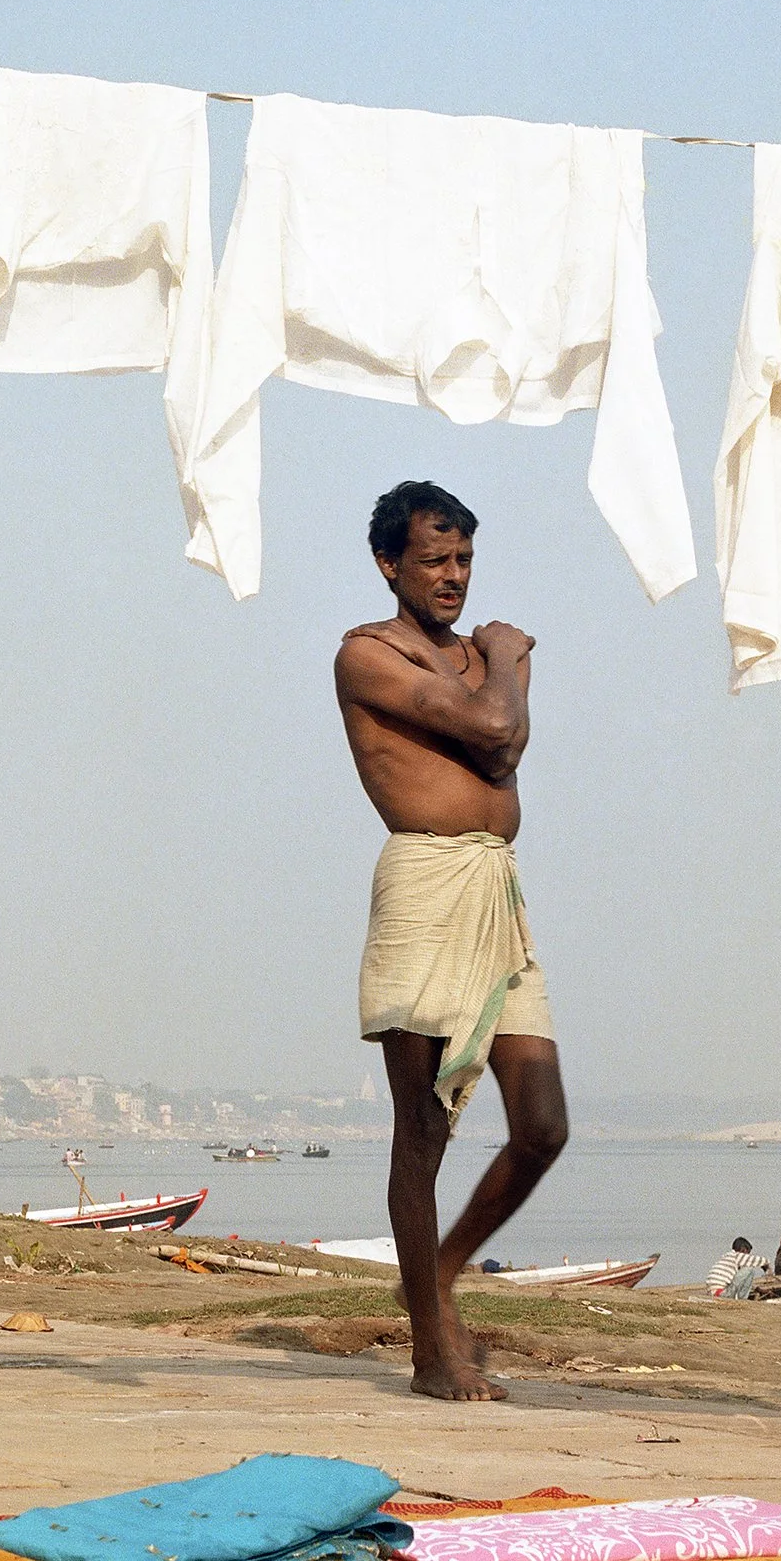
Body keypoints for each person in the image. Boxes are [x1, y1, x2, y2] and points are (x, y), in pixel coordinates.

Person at [337, 480, 567, 1402]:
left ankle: (436, 1270)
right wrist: (509, 659)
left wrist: (496, 665)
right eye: (433, 559)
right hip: (427, 885)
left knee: (543, 1124)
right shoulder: (368, 655)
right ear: (390, 563)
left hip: (495, 891)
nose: (452, 577)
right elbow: (496, 729)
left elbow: (502, 754)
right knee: (423, 1126)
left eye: (463, 558)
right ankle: (431, 1354)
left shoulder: (479, 658)